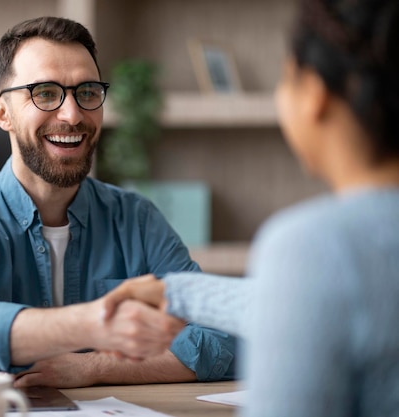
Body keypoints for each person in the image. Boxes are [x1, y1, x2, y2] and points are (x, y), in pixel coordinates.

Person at [103, 0, 399, 415]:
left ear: (314, 94)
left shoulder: (312, 245)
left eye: (285, 78)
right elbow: (316, 304)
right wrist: (174, 294)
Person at [0, 16, 236, 387]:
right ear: (3, 113)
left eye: (86, 92)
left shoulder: (136, 220)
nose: (72, 115)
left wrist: (93, 368)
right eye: (46, 93)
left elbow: (219, 338)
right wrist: (101, 323)